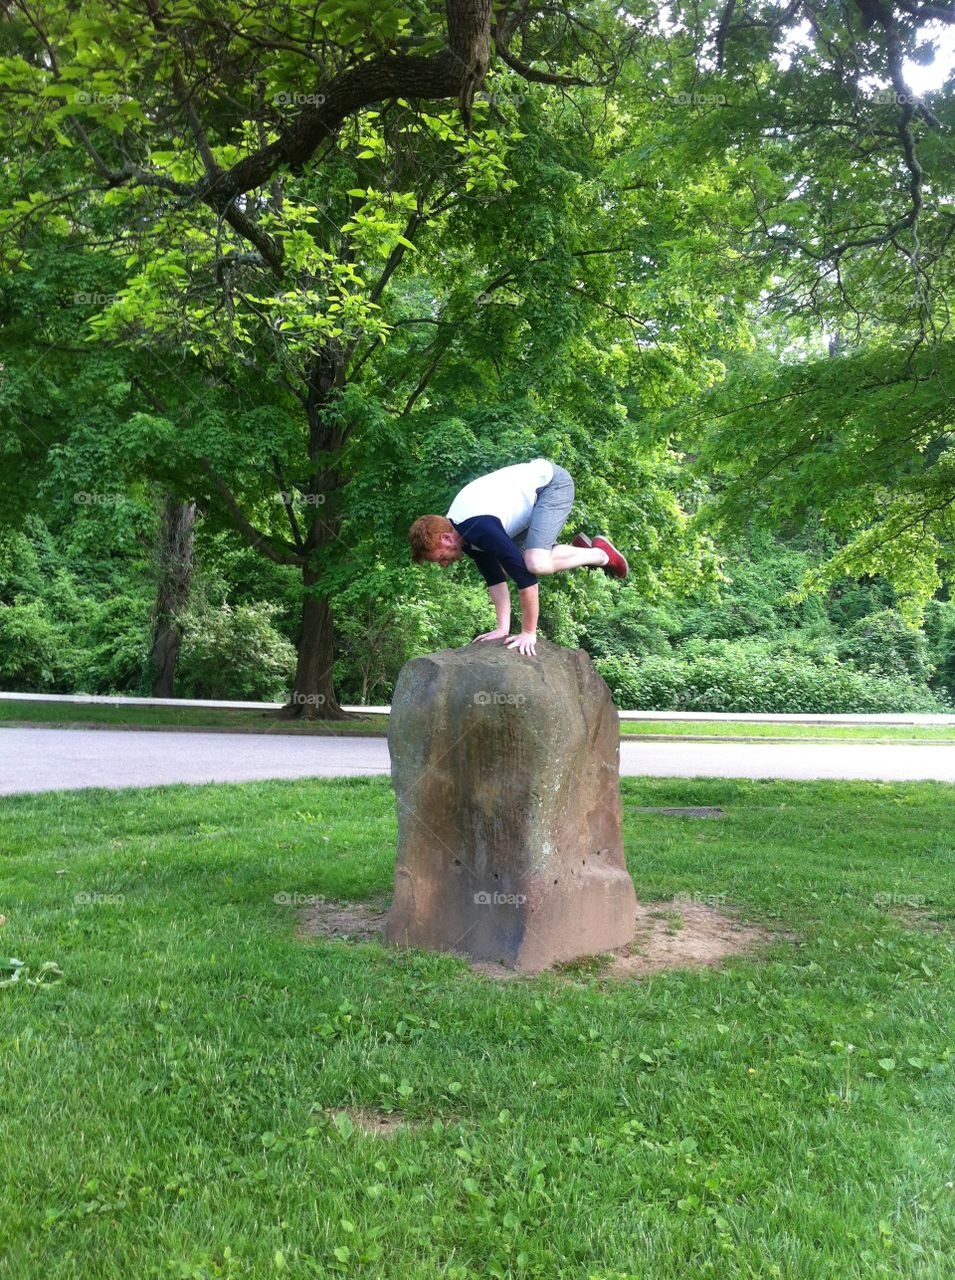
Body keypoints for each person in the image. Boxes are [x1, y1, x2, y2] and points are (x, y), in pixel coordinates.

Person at [407, 458, 628, 657]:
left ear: (445, 538)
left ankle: (600, 554)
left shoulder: (479, 527)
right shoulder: (463, 536)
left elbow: (526, 580)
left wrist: (528, 632)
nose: (443, 564)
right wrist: (502, 629)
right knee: (507, 566)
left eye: (440, 557)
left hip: (550, 485)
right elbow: (495, 579)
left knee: (534, 563)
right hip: (524, 509)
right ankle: (578, 551)